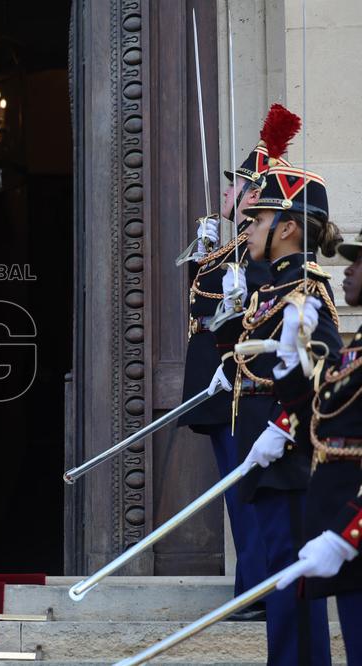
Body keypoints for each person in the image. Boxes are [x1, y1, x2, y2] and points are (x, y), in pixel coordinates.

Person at [177, 107, 302, 616]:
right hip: (216, 389)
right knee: (238, 494)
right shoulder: (228, 248)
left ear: (253, 195)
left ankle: (258, 589)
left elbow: (263, 306)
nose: (227, 195)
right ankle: (252, 586)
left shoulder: (257, 255)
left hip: (241, 387)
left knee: (249, 492)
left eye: (236, 188)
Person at [220, 160, 343, 664]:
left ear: (288, 228)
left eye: (258, 219)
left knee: (292, 589)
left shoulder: (305, 290)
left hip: (287, 460)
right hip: (266, 457)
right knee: (280, 581)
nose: (247, 228)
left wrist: (283, 427)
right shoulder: (271, 288)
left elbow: (326, 378)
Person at [265, 230, 362, 664]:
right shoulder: (355, 349)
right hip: (340, 536)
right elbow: (322, 434)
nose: (349, 271)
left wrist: (348, 534)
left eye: (359, 263)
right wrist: (289, 367)